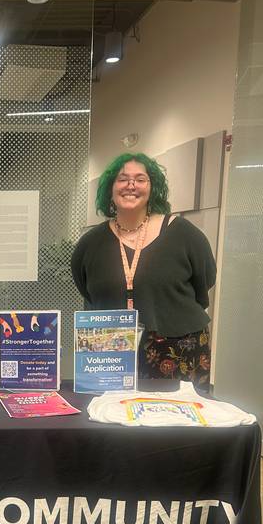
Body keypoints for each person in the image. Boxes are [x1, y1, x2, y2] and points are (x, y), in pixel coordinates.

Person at [71, 153, 216, 391]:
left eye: (140, 179)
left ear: (153, 187)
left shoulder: (182, 233)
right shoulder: (91, 242)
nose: (131, 185)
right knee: (111, 418)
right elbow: (86, 288)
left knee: (173, 423)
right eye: (122, 179)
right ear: (110, 188)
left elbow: (205, 278)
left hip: (178, 345)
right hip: (109, 350)